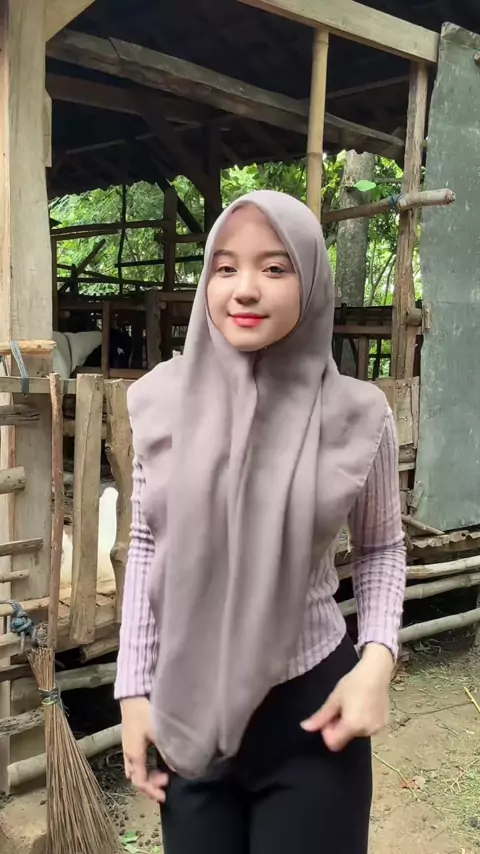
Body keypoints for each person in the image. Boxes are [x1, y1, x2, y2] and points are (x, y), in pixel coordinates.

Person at [115, 190, 407, 854]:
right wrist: (134, 689)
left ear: (312, 280)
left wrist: (376, 661)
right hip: (190, 714)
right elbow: (148, 542)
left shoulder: (358, 417)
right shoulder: (161, 403)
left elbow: (382, 547)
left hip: (312, 715)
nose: (245, 288)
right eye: (225, 267)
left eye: (275, 268)